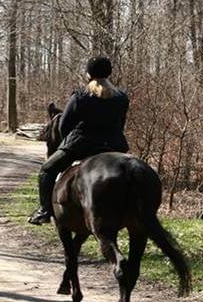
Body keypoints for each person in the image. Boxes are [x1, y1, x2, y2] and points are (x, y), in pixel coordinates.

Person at [28, 56, 130, 225]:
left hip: (82, 145)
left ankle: (44, 210)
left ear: (88, 74)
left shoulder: (80, 96)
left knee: (46, 170)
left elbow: (63, 126)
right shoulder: (121, 97)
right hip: (115, 147)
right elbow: (121, 124)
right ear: (109, 73)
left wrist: (69, 141)